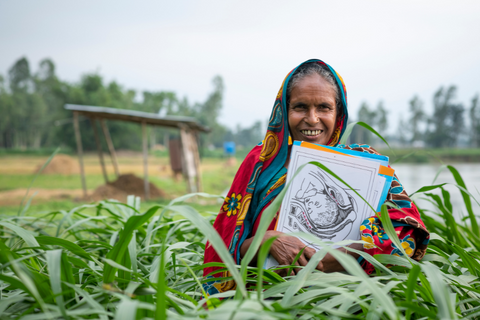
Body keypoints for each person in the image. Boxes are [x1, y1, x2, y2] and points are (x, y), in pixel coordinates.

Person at [203, 59, 429, 295]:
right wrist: (265, 241)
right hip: (265, 302)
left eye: (324, 107)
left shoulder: (366, 164)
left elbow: (408, 228)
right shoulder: (261, 163)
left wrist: (347, 254)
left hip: (344, 301)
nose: (312, 119)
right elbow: (223, 246)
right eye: (300, 107)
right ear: (284, 109)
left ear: (338, 113)